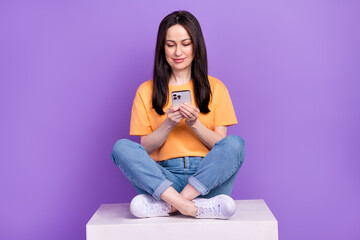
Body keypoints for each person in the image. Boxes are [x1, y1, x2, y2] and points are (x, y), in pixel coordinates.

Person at [111, 10, 245, 219]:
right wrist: (168, 124)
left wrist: (194, 124)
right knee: (120, 148)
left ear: (196, 46)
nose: (178, 52)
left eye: (185, 43)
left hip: (206, 178)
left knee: (236, 144)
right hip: (164, 178)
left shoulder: (216, 88)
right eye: (170, 44)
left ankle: (170, 206)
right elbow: (144, 147)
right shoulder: (146, 91)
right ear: (162, 48)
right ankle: (192, 207)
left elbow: (221, 147)